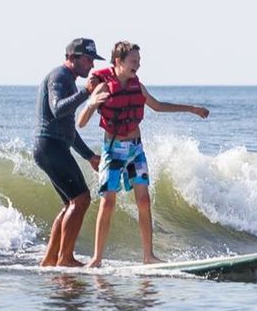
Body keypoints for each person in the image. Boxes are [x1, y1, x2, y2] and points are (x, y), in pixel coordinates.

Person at [77, 41, 209, 266]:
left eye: (139, 61)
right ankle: (97, 259)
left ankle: (148, 256)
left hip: (136, 150)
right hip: (113, 152)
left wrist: (191, 108)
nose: (138, 65)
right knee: (107, 202)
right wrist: (91, 104)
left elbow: (157, 106)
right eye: (133, 61)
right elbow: (80, 123)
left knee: (144, 201)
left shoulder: (138, 85)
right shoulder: (103, 87)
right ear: (118, 61)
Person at [33, 38, 106, 267]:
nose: (91, 66)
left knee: (70, 204)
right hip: (49, 146)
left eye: (93, 60)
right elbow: (57, 109)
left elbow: (69, 130)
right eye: (87, 59)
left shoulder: (69, 80)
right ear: (72, 57)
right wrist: (87, 92)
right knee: (81, 199)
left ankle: (50, 259)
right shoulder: (59, 77)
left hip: (54, 146)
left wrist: (89, 156)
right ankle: (65, 259)